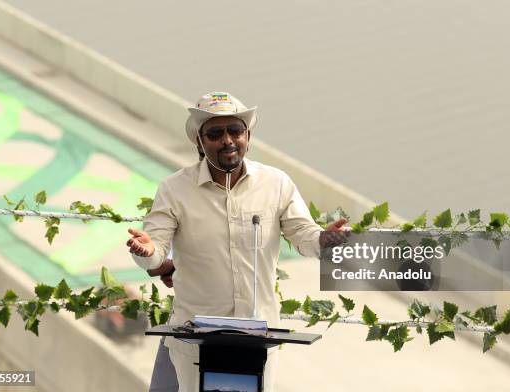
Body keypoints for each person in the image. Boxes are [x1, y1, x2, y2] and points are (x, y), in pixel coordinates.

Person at [127, 92, 346, 391]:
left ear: (248, 135)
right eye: (216, 133)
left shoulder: (276, 183)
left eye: (235, 131)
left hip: (258, 339)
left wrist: (324, 240)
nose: (227, 140)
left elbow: (304, 236)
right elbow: (154, 251)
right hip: (196, 340)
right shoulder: (174, 189)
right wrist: (147, 251)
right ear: (200, 142)